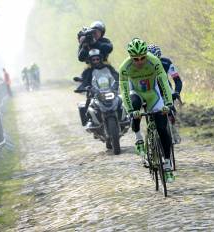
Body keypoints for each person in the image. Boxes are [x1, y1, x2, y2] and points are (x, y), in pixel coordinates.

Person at [119, 38, 175, 182]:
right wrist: (130, 110)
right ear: (131, 57)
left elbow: (163, 82)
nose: (139, 61)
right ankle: (138, 139)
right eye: (135, 59)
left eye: (142, 58)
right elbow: (124, 90)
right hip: (135, 93)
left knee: (162, 128)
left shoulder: (154, 61)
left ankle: (167, 164)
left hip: (152, 94)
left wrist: (168, 103)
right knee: (135, 106)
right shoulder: (125, 67)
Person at [75, 49, 119, 129]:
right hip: (94, 92)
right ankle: (87, 119)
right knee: (89, 102)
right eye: (93, 59)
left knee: (120, 100)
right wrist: (82, 87)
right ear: (90, 60)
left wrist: (117, 83)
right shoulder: (88, 71)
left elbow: (116, 76)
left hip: (110, 90)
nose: (96, 61)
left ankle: (125, 117)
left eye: (97, 59)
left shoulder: (108, 67)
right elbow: (84, 81)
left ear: (101, 59)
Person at [147, 44, 182, 143]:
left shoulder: (166, 62)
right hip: (151, 90)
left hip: (166, 88)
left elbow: (177, 80)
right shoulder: (143, 65)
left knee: (170, 109)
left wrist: (176, 92)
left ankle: (173, 129)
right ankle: (151, 134)